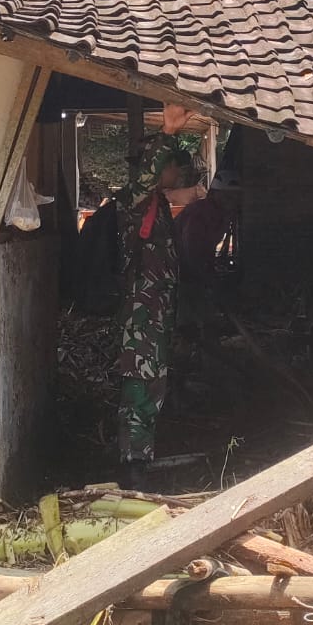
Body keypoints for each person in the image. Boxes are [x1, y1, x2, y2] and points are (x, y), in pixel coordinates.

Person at [115, 104, 204, 478]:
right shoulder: (136, 203)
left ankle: (140, 456)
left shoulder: (158, 208)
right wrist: (167, 133)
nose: (177, 172)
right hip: (142, 317)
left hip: (155, 313)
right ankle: (134, 464)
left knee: (153, 384)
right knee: (140, 386)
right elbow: (150, 174)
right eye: (171, 164)